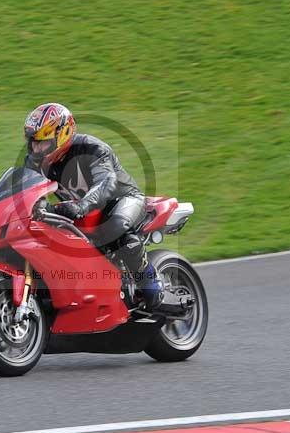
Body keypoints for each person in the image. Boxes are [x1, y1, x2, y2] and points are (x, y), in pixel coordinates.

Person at [23, 102, 176, 312]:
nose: (37, 149)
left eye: (43, 142)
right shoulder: (34, 162)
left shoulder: (92, 148)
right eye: (34, 143)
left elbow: (105, 183)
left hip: (121, 200)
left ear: (63, 133)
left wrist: (81, 206)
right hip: (81, 211)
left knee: (119, 231)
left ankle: (151, 284)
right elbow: (26, 192)